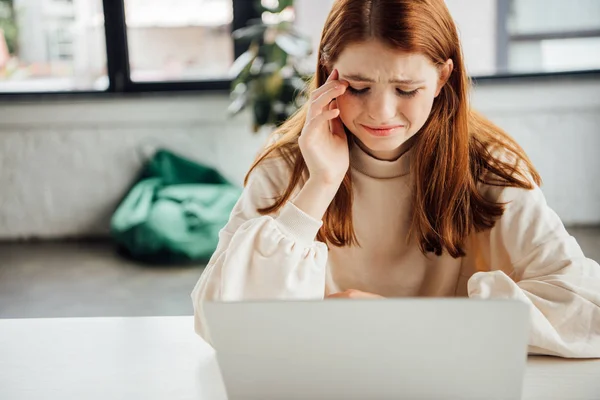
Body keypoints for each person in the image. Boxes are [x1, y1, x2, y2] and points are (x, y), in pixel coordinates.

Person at [191, 0, 600, 358]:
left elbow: (586, 310)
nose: (381, 113)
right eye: (358, 87)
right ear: (328, 73)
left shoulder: (489, 167)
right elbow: (219, 321)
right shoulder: (288, 166)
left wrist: (406, 322)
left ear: (442, 78)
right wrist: (320, 185)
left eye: (406, 90)